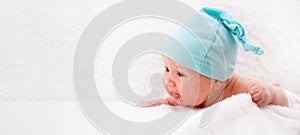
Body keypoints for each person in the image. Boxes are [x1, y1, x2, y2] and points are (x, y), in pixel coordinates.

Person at [141, 7, 300, 109]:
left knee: (268, 91)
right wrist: (158, 104)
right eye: (167, 69)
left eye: (180, 74)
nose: (168, 81)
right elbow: (172, 104)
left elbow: (291, 102)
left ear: (217, 81)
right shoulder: (189, 96)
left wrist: (271, 94)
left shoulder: (241, 90)